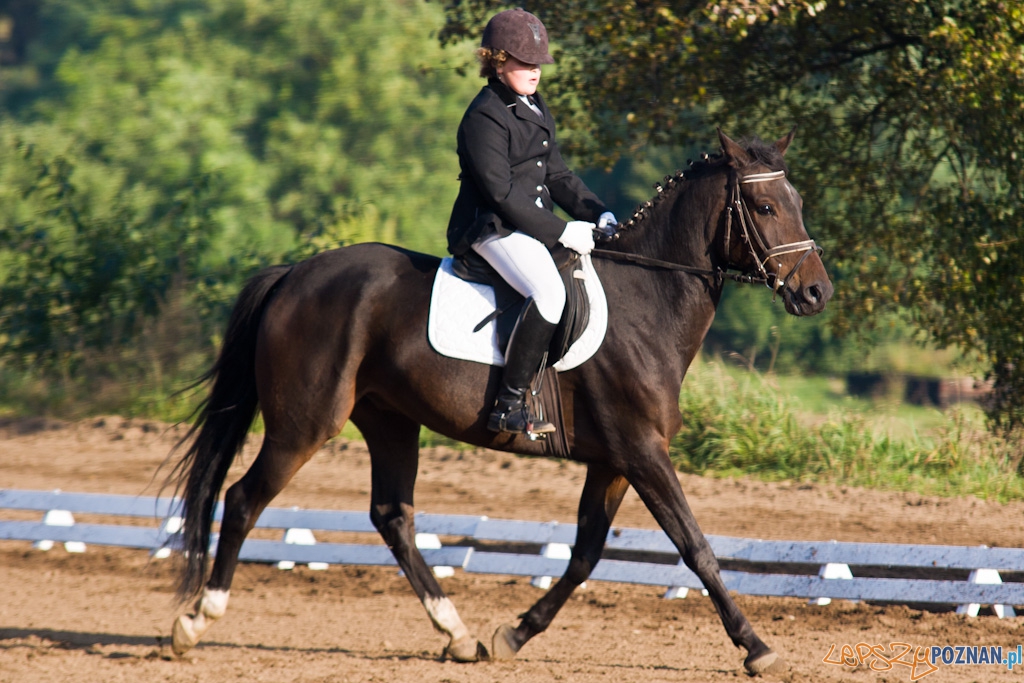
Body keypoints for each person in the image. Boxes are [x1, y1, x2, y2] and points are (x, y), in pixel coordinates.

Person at [446, 8, 617, 436]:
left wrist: (596, 212)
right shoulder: (484, 115)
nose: (535, 70)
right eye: (524, 62)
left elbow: (556, 175)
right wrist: (561, 231)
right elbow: (501, 194)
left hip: (527, 224)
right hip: (491, 228)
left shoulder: (533, 105)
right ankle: (507, 405)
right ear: (498, 60)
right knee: (550, 293)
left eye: (538, 62)